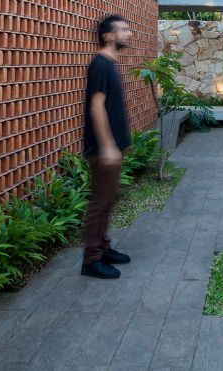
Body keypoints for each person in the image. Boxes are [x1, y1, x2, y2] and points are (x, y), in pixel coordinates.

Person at [81, 14, 134, 279]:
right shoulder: (100, 64)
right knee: (100, 203)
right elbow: (96, 106)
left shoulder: (110, 64)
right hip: (103, 150)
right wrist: (108, 146)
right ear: (108, 36)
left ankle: (102, 247)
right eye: (123, 30)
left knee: (108, 200)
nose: (129, 33)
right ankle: (91, 260)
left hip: (111, 148)